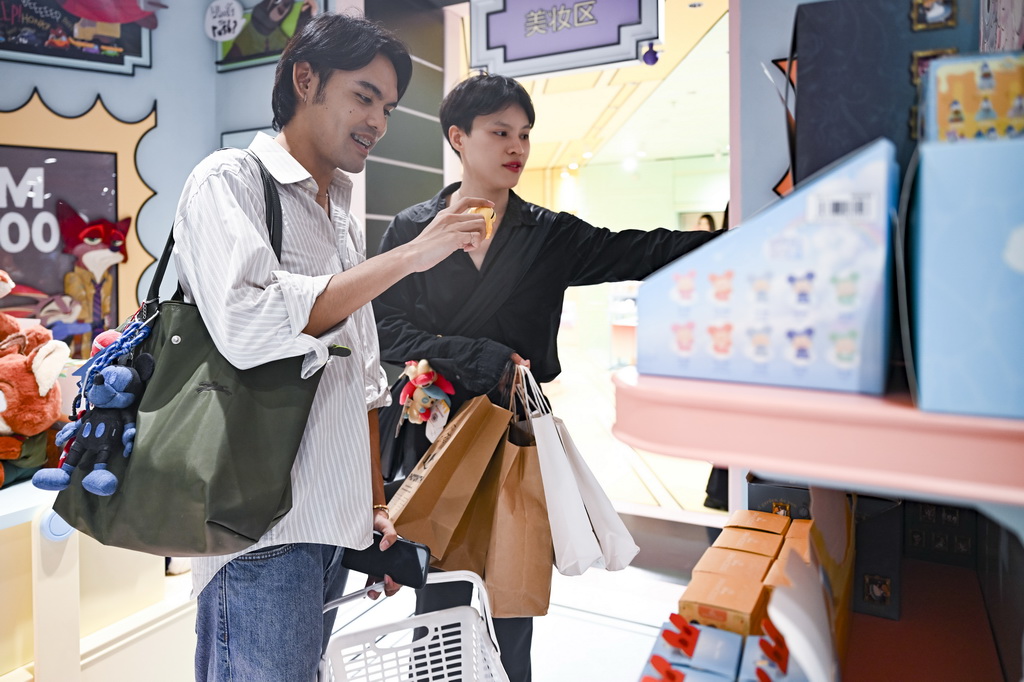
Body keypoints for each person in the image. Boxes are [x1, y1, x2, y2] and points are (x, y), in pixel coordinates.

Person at [372, 73, 725, 682]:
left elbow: (639, 250)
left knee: (513, 604)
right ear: (458, 137)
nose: (517, 147)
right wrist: (476, 355)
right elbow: (384, 331)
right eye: (500, 132)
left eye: (525, 134)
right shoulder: (412, 229)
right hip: (436, 438)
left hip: (516, 439)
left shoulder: (548, 234)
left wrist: (732, 243)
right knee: (439, 613)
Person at [172, 13, 493, 681]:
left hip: (328, 525)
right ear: (306, 79)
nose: (378, 121)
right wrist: (409, 256)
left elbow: (366, 382)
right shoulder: (227, 182)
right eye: (364, 96)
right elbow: (250, 324)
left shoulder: (339, 218)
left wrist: (372, 506)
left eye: (390, 107)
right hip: (256, 533)